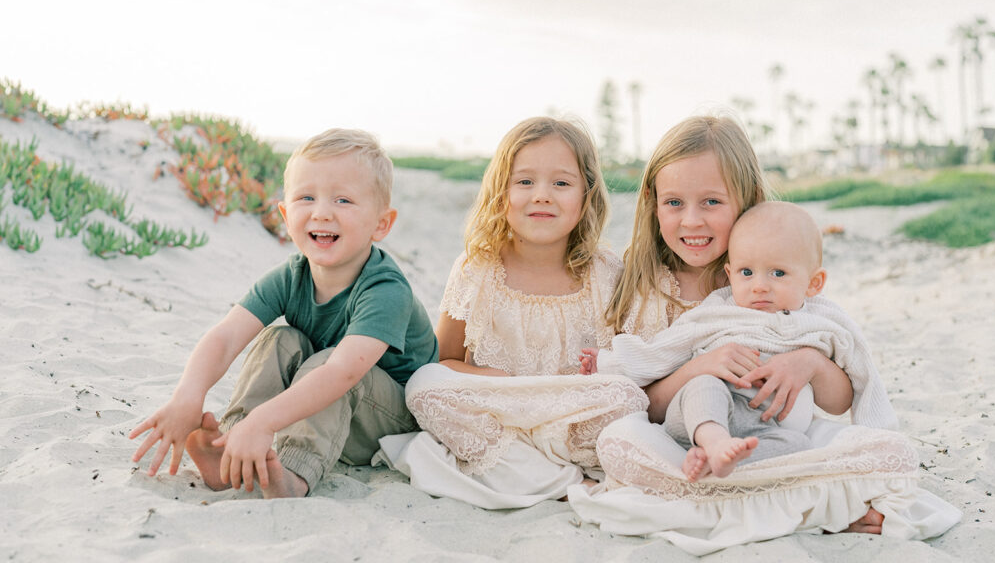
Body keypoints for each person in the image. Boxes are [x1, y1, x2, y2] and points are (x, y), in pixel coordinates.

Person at [567, 116, 959, 551]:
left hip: (769, 441)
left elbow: (839, 401)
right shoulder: (646, 289)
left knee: (886, 454)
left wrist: (808, 362)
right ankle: (807, 504)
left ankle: (734, 492)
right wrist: (700, 368)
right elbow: (649, 404)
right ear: (653, 203)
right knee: (618, 441)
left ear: (748, 201)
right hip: (688, 441)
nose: (692, 221)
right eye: (674, 203)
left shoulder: (779, 283)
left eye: (711, 202)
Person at [129, 128, 438, 498]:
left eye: (343, 200)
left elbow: (342, 373)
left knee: (329, 361)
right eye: (306, 197)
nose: (322, 212)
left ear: (381, 224)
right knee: (279, 339)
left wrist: (265, 421)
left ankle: (295, 474)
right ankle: (231, 452)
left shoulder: (385, 289)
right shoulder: (292, 277)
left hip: (387, 423)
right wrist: (188, 395)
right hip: (326, 402)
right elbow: (226, 336)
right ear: (285, 212)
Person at [376, 116, 647, 508]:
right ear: (502, 192)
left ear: (586, 196)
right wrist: (498, 379)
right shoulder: (477, 270)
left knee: (626, 397)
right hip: (501, 423)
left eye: (561, 183)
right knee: (425, 384)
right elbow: (445, 361)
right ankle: (564, 481)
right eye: (525, 181)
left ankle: (539, 474)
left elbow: (631, 368)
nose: (542, 195)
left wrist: (602, 374)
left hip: (573, 421)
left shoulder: (606, 274)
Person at [582, 201, 898, 481]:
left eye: (778, 274)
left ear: (814, 283)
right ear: (730, 274)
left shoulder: (825, 323)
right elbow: (665, 348)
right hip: (700, 414)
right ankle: (713, 441)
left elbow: (862, 370)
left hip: (768, 431)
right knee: (705, 385)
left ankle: (717, 465)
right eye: (747, 272)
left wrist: (876, 428)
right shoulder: (720, 311)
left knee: (799, 446)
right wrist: (610, 362)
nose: (759, 286)